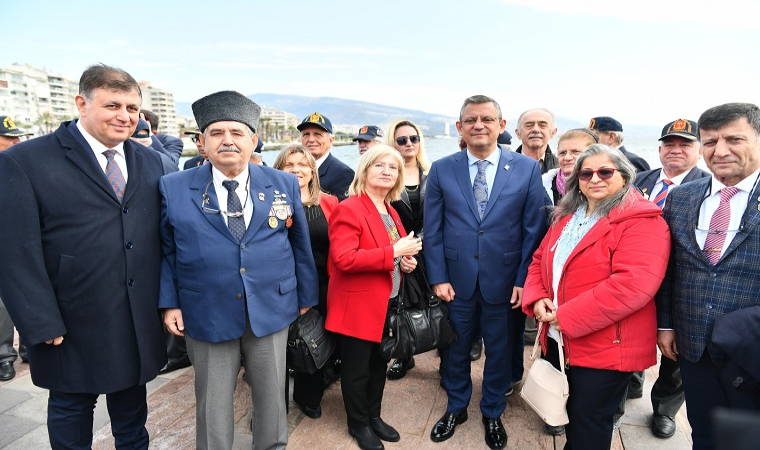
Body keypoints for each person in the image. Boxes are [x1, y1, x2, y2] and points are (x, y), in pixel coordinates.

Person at [0, 64, 168, 449]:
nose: (124, 116)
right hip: (69, 320)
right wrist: (40, 321)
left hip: (134, 317)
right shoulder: (26, 161)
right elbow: (14, 252)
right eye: (113, 105)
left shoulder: (150, 162)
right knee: (72, 409)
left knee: (132, 415)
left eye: (132, 108)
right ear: (81, 103)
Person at [159, 90, 318, 450]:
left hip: (271, 305)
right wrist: (170, 303)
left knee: (272, 394)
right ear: (202, 142)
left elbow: (299, 244)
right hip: (205, 308)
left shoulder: (283, 183)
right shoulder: (173, 187)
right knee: (212, 400)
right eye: (216, 133)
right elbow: (166, 250)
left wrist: (305, 295)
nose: (227, 140)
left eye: (237, 132)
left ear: (254, 140)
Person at [523, 144, 671, 450]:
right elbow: (539, 259)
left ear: (624, 176)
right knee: (571, 413)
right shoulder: (568, 216)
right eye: (586, 173)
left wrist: (565, 316)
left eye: (605, 172)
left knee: (589, 423)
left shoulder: (643, 221)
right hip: (559, 336)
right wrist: (537, 297)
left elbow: (632, 285)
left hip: (606, 345)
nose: (595, 179)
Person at [425, 95, 549, 449]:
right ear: (460, 127)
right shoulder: (442, 169)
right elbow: (432, 229)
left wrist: (523, 280)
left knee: (500, 350)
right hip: (455, 282)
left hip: (506, 282)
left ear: (501, 125)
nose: (478, 125)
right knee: (455, 349)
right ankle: (456, 407)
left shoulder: (525, 169)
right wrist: (438, 277)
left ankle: (493, 410)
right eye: (471, 120)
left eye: (487, 119)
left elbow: (533, 231)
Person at [657, 103, 760, 450]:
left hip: (752, 351)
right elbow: (671, 268)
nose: (720, 151)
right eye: (711, 142)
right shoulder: (682, 198)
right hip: (694, 347)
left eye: (734, 139)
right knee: (704, 433)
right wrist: (666, 324)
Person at [325, 144, 422, 450]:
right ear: (364, 170)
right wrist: (394, 252)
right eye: (379, 165)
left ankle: (373, 416)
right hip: (357, 305)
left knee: (379, 364)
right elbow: (344, 259)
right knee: (356, 370)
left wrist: (405, 262)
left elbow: (391, 254)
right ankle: (358, 424)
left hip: (386, 302)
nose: (386, 171)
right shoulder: (349, 208)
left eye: (393, 167)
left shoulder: (390, 210)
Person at [617, 118, 708, 438]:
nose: (676, 150)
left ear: (699, 150)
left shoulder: (708, 187)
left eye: (685, 144)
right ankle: (630, 384)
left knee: (675, 350)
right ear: (659, 149)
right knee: (628, 334)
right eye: (669, 144)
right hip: (636, 275)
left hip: (681, 279)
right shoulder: (637, 180)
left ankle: (665, 409)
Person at [272, 144, 339, 419]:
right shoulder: (270, 201)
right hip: (279, 286)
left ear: (312, 171)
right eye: (290, 165)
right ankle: (272, 408)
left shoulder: (330, 202)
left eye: (303, 165)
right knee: (275, 350)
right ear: (279, 170)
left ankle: (308, 396)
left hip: (322, 285)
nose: (297, 170)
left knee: (314, 342)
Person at [384, 119, 431, 381]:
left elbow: (439, 215)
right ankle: (404, 355)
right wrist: (401, 249)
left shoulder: (433, 173)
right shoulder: (388, 174)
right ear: (393, 144)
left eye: (413, 138)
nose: (409, 144)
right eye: (401, 140)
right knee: (401, 306)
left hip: (428, 247)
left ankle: (444, 351)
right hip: (397, 250)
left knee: (436, 302)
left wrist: (418, 243)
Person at [0, 115, 34, 381]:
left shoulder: (22, 163)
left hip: (21, 241)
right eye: (9, 138)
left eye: (17, 137)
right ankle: (4, 355)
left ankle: (28, 346)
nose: (16, 142)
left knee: (27, 293)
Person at [298, 112, 354, 200]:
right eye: (306, 134)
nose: (311, 139)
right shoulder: (292, 169)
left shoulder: (343, 173)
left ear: (331, 140)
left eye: (317, 134)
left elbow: (343, 207)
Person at [543, 128, 599, 205]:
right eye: (562, 153)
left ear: (592, 154)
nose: (567, 158)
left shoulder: (602, 186)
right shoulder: (541, 186)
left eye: (575, 152)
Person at [514, 108, 559, 174]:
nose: (536, 129)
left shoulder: (561, 169)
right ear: (518, 133)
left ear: (553, 133)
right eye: (529, 125)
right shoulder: (503, 166)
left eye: (542, 125)